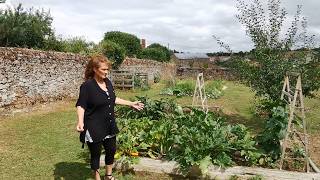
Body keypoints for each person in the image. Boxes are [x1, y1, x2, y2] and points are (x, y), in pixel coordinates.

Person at [75, 55, 144, 180]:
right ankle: (97, 177)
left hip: (109, 124)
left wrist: (131, 104)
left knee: (111, 150)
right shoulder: (87, 86)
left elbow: (113, 99)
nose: (106, 72)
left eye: (107, 69)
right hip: (93, 125)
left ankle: (108, 176)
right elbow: (81, 105)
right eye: (104, 69)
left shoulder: (107, 83)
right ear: (95, 69)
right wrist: (80, 121)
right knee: (95, 154)